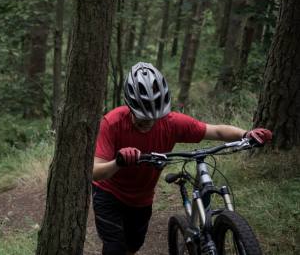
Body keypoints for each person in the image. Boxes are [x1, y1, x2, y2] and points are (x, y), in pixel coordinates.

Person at [92, 62, 272, 255]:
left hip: (141, 198)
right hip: (109, 194)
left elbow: (217, 131)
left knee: (133, 246)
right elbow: (95, 171)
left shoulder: (171, 123)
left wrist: (247, 134)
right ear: (130, 106)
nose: (148, 123)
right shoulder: (111, 123)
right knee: (114, 248)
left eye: (154, 118)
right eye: (142, 118)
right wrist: (118, 161)